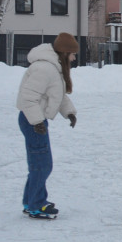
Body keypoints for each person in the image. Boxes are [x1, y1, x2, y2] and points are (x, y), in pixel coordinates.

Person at [16, 32, 79, 219]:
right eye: (73, 54)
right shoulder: (45, 69)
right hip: (32, 120)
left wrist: (69, 112)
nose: (74, 58)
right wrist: (36, 122)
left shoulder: (53, 68)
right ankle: (36, 204)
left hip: (35, 120)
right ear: (64, 52)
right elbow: (28, 98)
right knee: (42, 165)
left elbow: (56, 95)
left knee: (38, 164)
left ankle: (30, 201)